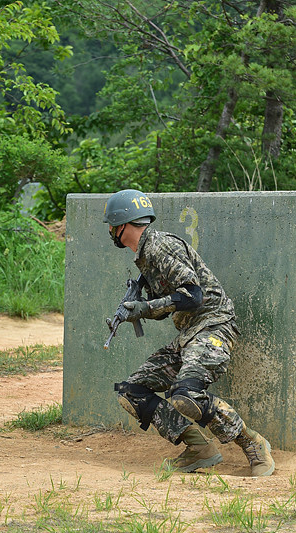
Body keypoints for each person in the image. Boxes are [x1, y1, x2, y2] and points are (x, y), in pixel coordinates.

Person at [103, 189, 275, 476]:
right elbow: (174, 301)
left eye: (111, 225)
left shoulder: (160, 247)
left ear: (122, 224)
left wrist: (144, 308)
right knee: (131, 392)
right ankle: (199, 448)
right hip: (189, 334)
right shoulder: (145, 256)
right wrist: (137, 306)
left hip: (213, 325)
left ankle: (253, 443)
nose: (110, 231)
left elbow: (193, 295)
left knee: (187, 395)